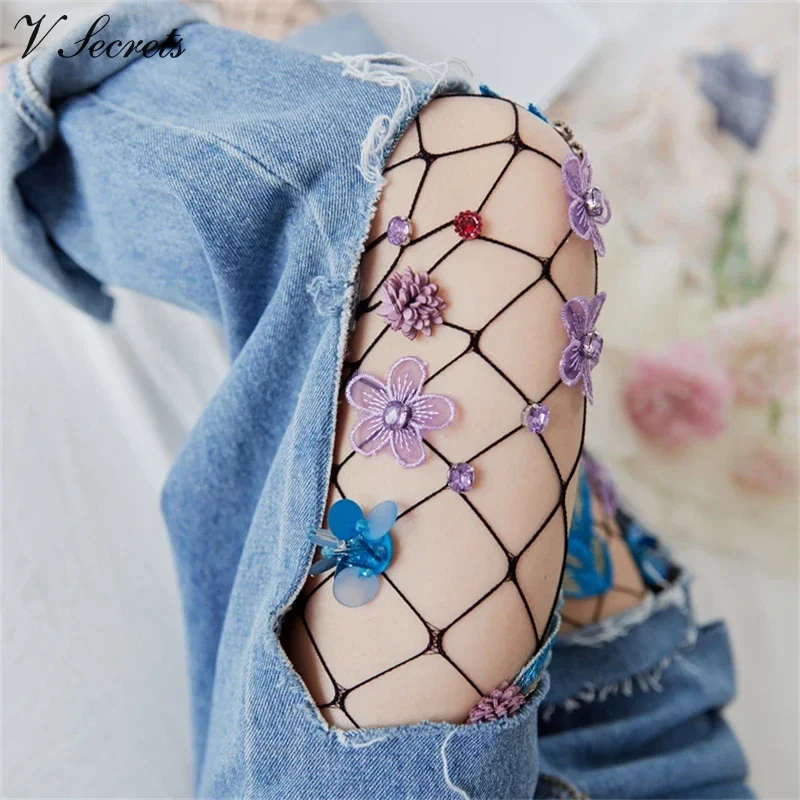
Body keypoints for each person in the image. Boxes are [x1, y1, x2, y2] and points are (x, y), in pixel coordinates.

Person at [2, 3, 752, 797]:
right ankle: (328, 86)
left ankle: (37, 107)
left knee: (487, 189)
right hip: (648, 725)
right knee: (481, 284)